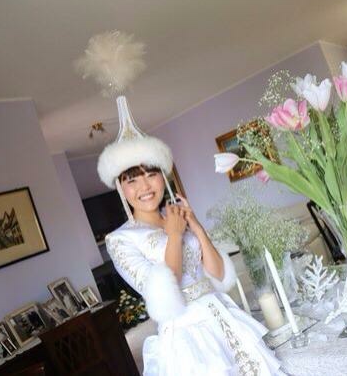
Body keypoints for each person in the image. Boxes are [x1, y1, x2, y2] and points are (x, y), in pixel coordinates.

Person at [98, 134, 284, 376]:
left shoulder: (177, 216)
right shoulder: (120, 240)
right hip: (186, 333)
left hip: (221, 313)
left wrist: (196, 226)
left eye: (151, 174)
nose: (144, 187)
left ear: (163, 177)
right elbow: (164, 293)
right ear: (121, 188)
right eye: (132, 180)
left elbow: (219, 274)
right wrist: (175, 235)